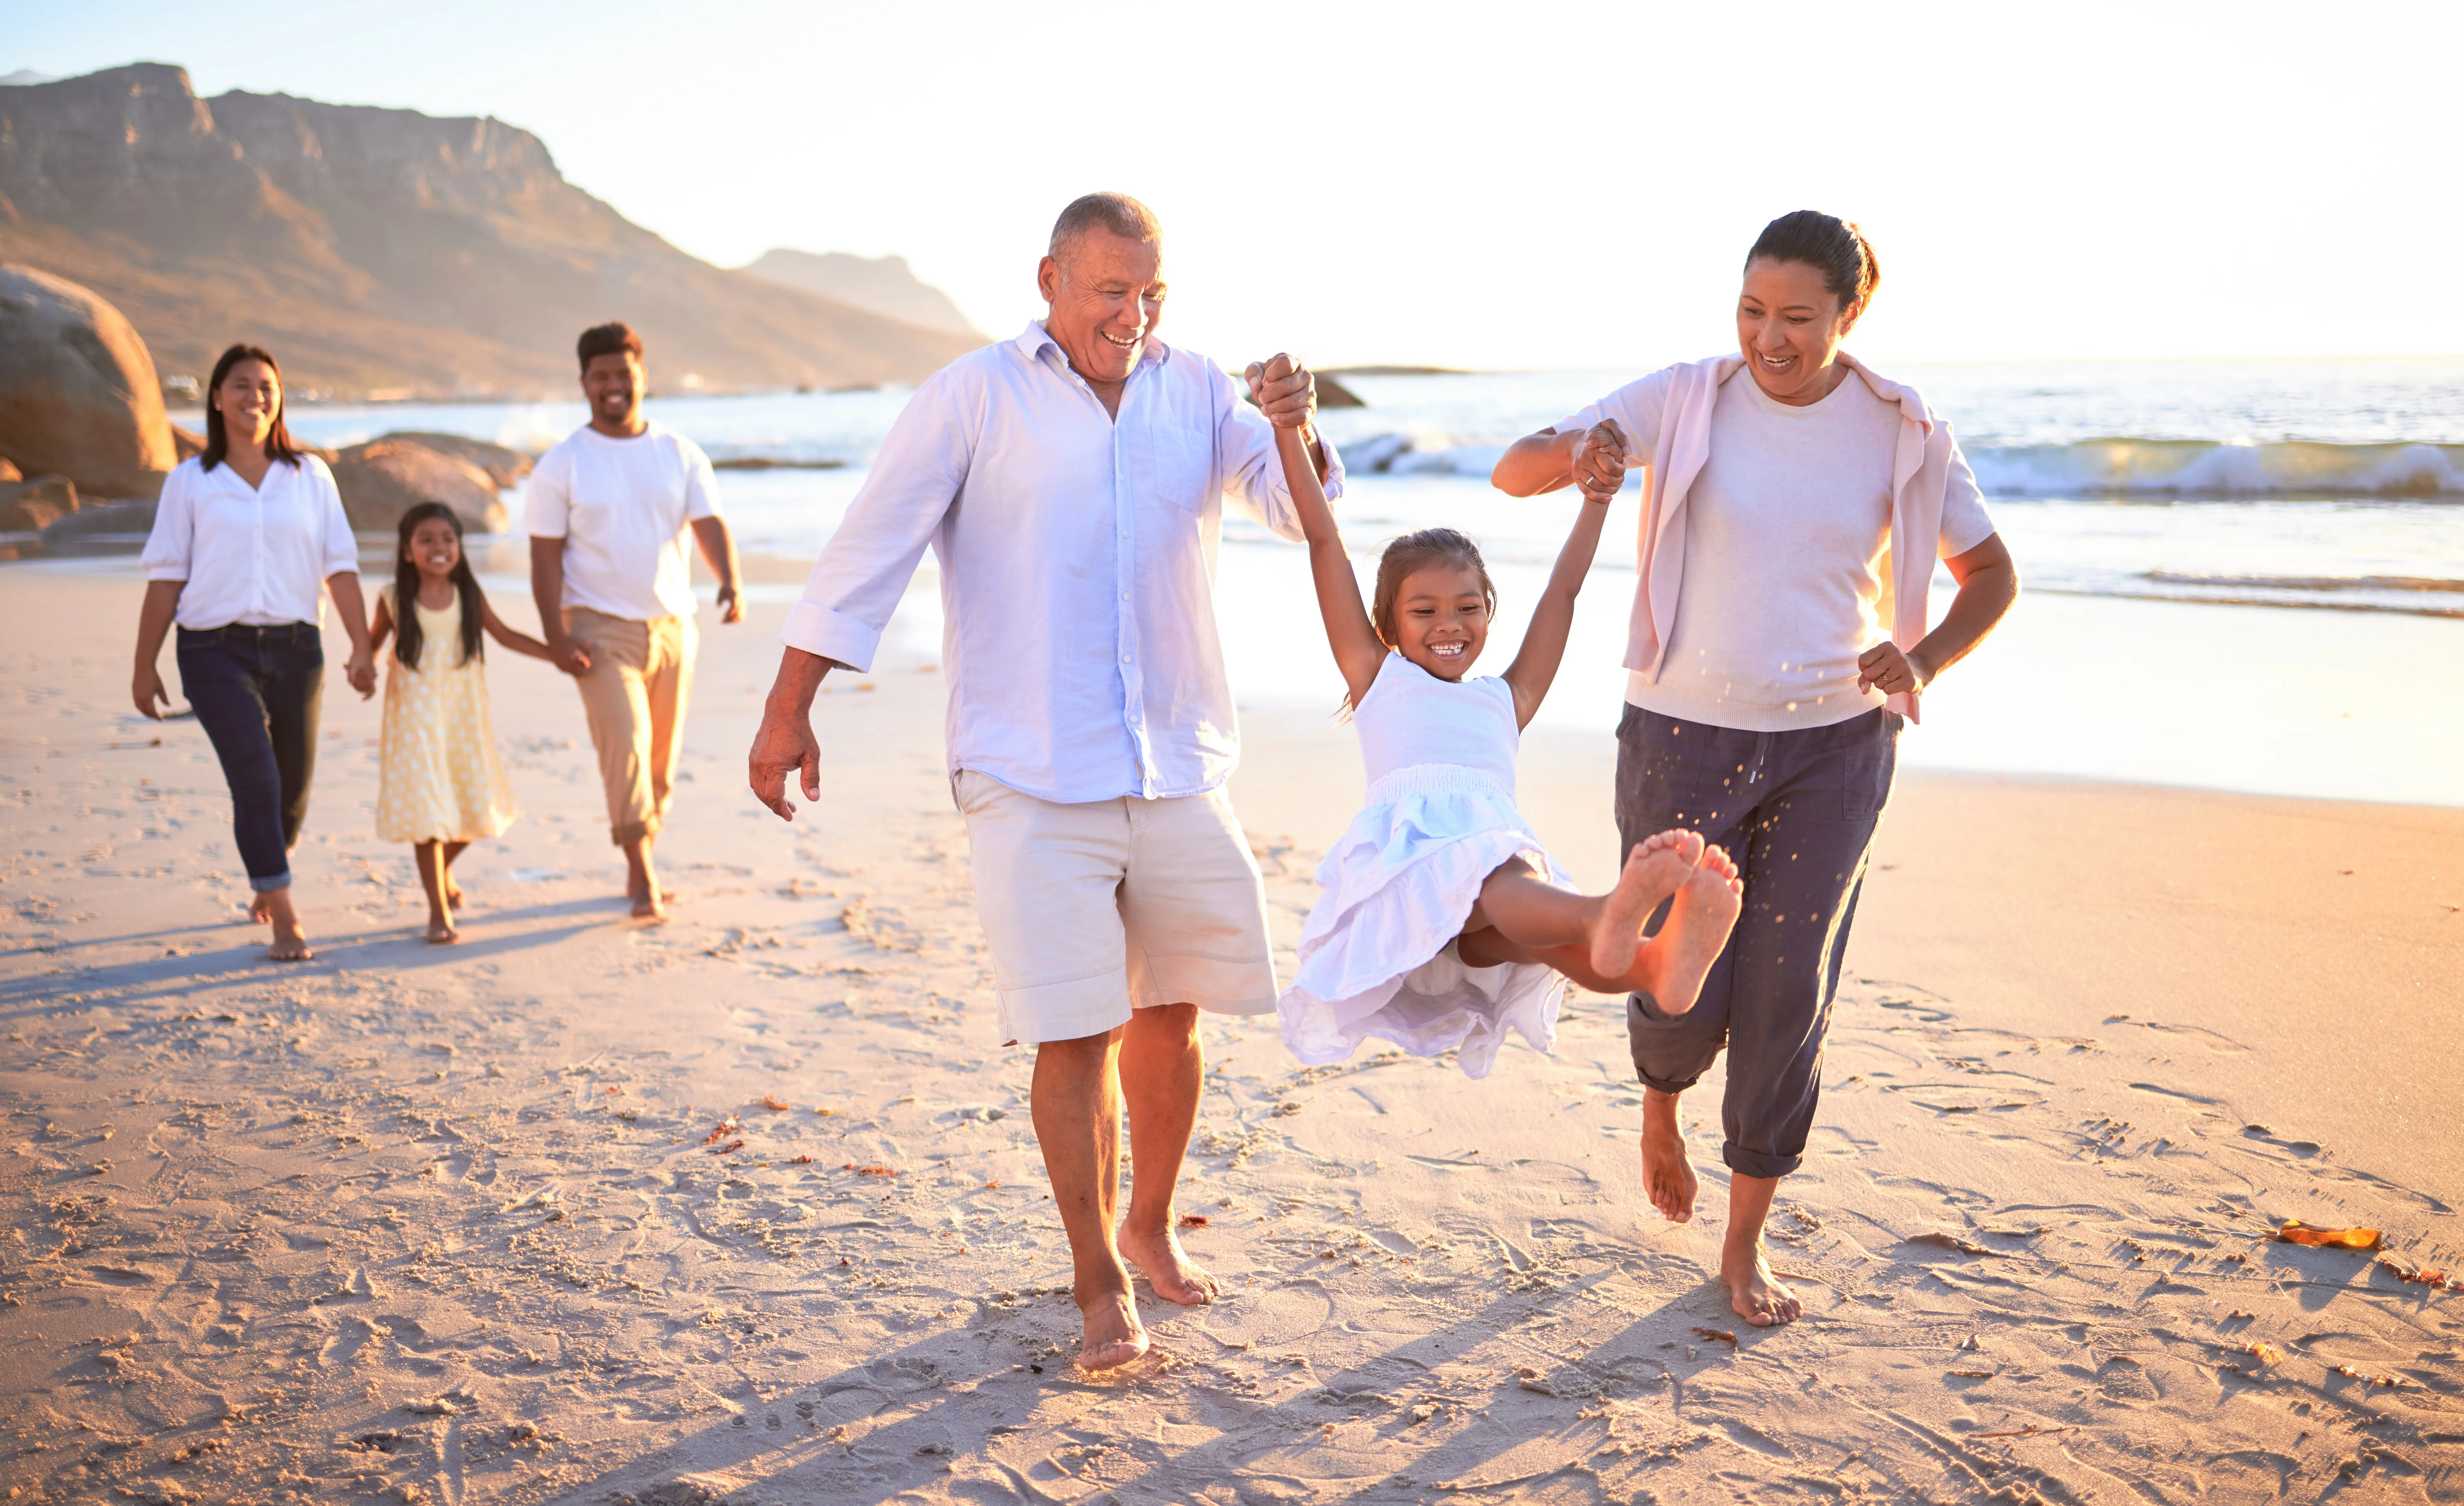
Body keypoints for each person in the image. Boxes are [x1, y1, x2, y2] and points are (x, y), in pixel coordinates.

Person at [747, 193, 1338, 1371]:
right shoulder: (976, 393)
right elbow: (872, 545)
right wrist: (784, 707)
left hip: (1175, 763)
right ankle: (1094, 1277)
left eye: (1150, 291)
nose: (1133, 311)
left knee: (1169, 1015)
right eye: (1110, 289)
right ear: (1051, 282)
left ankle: (1150, 1225)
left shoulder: (1198, 389)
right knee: (1073, 1030)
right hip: (1030, 769)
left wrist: (1288, 424)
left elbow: (1290, 509)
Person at [1492, 211, 2021, 1327]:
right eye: (1750, 311)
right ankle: (1661, 1103)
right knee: (1682, 977)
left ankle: (1744, 1243)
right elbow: (1515, 469)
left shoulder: (1902, 426)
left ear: (1848, 315)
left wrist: (1918, 655)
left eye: (1795, 318)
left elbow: (1992, 574)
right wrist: (1577, 458)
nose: (1768, 339)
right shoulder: (1687, 396)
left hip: (1838, 740)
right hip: (1683, 727)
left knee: (1791, 986)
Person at [1264, 392, 1743, 1078]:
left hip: (1482, 918)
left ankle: (1652, 965)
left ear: (1489, 612)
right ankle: (1608, 910)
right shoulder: (1379, 679)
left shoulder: (1505, 699)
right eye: (1423, 610)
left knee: (1545, 941)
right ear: (1387, 626)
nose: (1448, 624)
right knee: (1501, 873)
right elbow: (1322, 540)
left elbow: (1562, 596)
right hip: (1414, 875)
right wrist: (1289, 431)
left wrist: (1596, 501)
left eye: (1467, 607)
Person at [133, 343, 377, 961]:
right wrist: (144, 664)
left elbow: (340, 566)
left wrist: (362, 646)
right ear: (217, 398)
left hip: (299, 648)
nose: (255, 397)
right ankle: (284, 914)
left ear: (280, 399)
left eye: (267, 387)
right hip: (214, 650)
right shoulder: (190, 482)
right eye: (241, 386)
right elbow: (166, 577)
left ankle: (269, 860)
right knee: (257, 781)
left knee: (293, 789)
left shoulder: (311, 477)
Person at [526, 321, 743, 919]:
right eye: (601, 377)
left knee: (660, 764)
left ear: (643, 377)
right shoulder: (562, 464)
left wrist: (729, 578)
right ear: (584, 384)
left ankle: (642, 851)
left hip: (674, 628)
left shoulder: (679, 452)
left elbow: (708, 523)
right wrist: (556, 636)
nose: (614, 386)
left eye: (624, 374)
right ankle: (641, 872)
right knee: (624, 748)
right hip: (598, 629)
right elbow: (544, 557)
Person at [368, 502, 555, 942]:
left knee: (477, 810)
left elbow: (506, 635)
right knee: (430, 815)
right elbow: (372, 646)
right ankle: (437, 912)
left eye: (448, 539)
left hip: (462, 721)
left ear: (460, 547)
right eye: (426, 539)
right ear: (408, 549)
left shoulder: (469, 595)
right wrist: (362, 666)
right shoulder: (393, 598)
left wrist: (558, 655)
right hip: (414, 723)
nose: (439, 547)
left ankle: (440, 874)